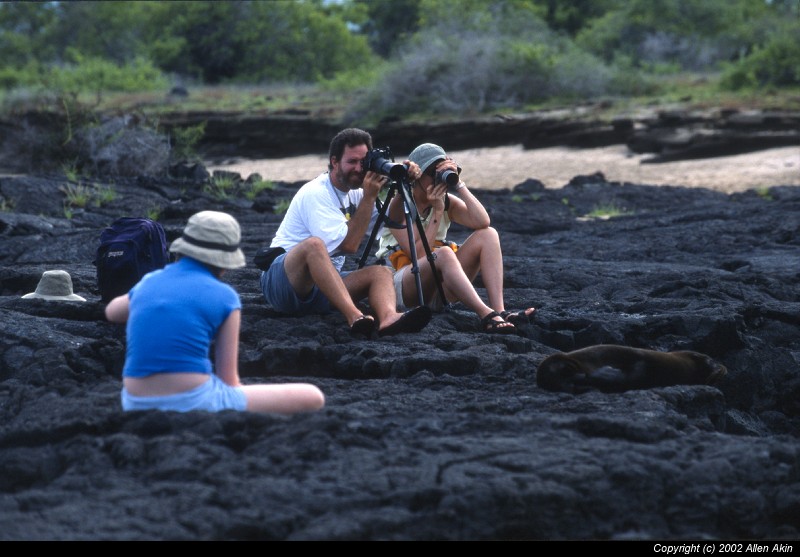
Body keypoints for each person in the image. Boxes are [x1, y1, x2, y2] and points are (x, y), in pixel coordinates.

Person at [105, 210, 325, 415]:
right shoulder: (225, 297)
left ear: (182, 250)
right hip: (194, 400)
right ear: (225, 263)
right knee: (313, 396)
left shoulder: (148, 283)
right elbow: (229, 380)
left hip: (134, 401)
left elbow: (112, 312)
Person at [260, 127, 432, 337]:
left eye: (364, 162)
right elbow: (349, 246)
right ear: (334, 162)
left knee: (381, 272)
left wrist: (404, 185)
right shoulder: (316, 192)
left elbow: (392, 221)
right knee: (314, 245)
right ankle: (354, 316)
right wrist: (369, 198)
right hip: (284, 282)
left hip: (322, 288)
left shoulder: (357, 194)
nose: (359, 168)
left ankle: (389, 318)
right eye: (352, 162)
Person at [375, 143, 535, 334]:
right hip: (402, 288)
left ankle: (500, 311)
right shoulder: (400, 203)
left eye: (440, 173)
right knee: (443, 253)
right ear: (416, 176)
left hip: (438, 290)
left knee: (489, 234)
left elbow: (482, 221)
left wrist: (458, 184)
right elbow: (418, 255)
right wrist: (437, 212)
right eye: (432, 173)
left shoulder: (446, 200)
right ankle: (486, 314)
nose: (436, 180)